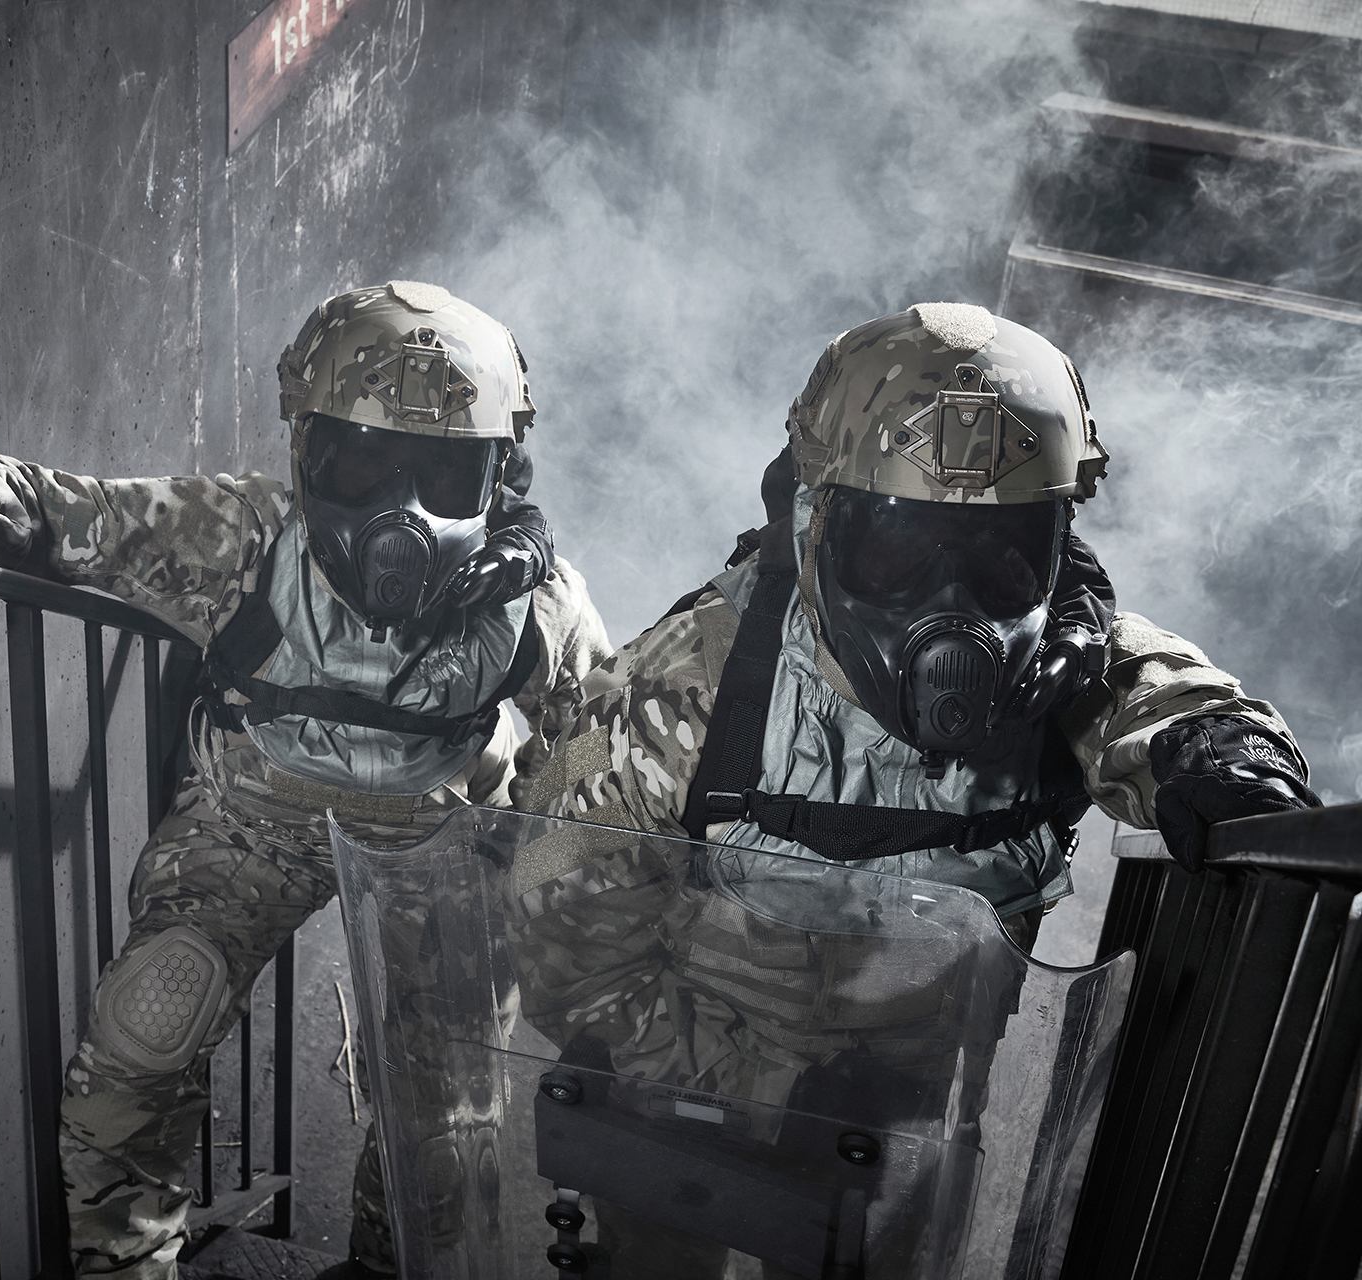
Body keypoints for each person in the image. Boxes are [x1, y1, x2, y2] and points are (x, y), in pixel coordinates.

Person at [509, 302, 1320, 1276]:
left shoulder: (1068, 664)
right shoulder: (682, 682)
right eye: (900, 549)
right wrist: (769, 1085)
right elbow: (553, 913)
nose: (955, 608)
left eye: (1001, 554)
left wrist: (1231, 767)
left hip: (906, 1125)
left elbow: (1176, 703)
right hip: (684, 1098)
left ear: (1056, 550)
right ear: (813, 523)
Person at [0, 280, 612, 1279]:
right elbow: (52, 501)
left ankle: (398, 1264)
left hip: (443, 829)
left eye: (438, 469)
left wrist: (543, 874)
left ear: (498, 478)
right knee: (142, 1040)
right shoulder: (250, 534)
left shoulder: (534, 602)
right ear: (307, 452)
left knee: (449, 1106)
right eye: (365, 461)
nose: (401, 511)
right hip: (255, 810)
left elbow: (597, 737)